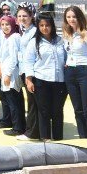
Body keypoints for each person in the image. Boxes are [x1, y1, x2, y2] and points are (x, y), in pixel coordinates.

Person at [24, 12, 68, 141]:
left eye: (47, 25)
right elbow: (28, 61)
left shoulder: (60, 41)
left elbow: (66, 58)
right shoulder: (34, 42)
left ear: (52, 26)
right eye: (41, 25)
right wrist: (29, 80)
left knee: (57, 110)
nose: (44, 28)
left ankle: (58, 138)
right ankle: (45, 137)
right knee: (44, 111)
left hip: (59, 81)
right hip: (41, 80)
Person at [62, 6, 87, 141]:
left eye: (74, 16)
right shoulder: (66, 35)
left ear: (79, 17)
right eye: (68, 17)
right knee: (77, 109)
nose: (71, 19)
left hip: (85, 72)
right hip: (70, 72)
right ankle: (83, 139)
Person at [0, 15, 25, 136]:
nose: (5, 27)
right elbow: (3, 55)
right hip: (5, 70)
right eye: (2, 25)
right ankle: (17, 125)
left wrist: (7, 74)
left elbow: (14, 58)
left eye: (7, 24)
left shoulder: (14, 37)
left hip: (11, 73)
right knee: (11, 100)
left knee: (14, 101)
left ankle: (18, 127)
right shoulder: (6, 37)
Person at [15, 5, 40, 141]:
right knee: (31, 101)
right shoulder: (24, 31)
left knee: (32, 102)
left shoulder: (34, 32)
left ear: (31, 17)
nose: (22, 18)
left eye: (25, 16)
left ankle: (32, 132)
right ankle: (31, 130)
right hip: (24, 69)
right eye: (19, 16)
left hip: (31, 71)